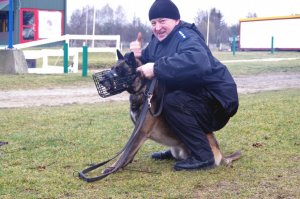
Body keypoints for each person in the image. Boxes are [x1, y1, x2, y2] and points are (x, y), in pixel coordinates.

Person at [130, 0, 239, 171]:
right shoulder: (157, 42)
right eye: (153, 23)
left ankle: (204, 156)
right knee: (165, 98)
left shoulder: (186, 36)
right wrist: (136, 56)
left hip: (218, 102)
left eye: (162, 21)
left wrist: (156, 67)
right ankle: (185, 146)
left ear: (176, 20)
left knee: (173, 101)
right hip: (195, 97)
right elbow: (144, 64)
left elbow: (199, 61)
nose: (157, 27)